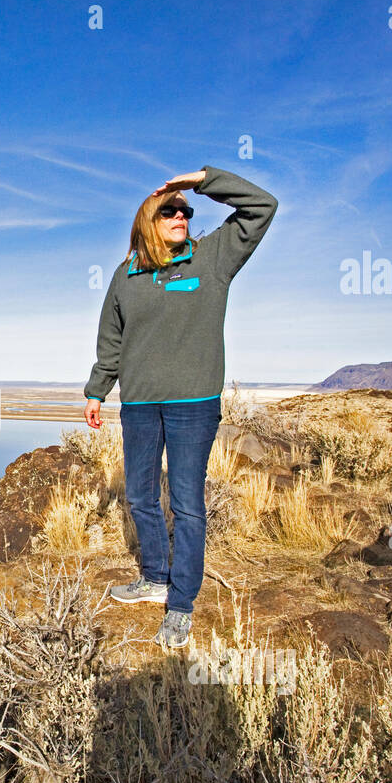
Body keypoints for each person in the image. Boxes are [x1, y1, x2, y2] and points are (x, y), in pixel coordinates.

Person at [83, 165, 277, 648]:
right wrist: (96, 389)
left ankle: (181, 603)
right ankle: (154, 577)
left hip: (194, 405)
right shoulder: (126, 275)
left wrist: (202, 179)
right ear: (148, 220)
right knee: (140, 496)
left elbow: (262, 207)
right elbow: (112, 337)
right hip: (141, 404)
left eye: (185, 211)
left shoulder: (211, 258)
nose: (180, 216)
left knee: (188, 504)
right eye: (168, 210)